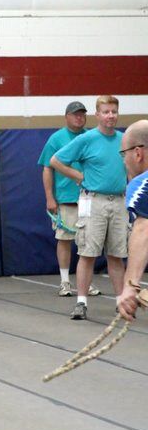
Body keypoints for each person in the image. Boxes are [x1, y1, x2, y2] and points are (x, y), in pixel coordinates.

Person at [50, 95, 127, 320]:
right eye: (106, 112)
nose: (110, 116)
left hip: (119, 201)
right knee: (88, 253)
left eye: (114, 111)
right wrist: (78, 176)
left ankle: (121, 301)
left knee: (116, 254)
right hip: (94, 201)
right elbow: (56, 161)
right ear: (98, 115)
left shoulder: (124, 140)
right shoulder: (87, 139)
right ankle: (81, 302)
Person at [38, 101, 100, 297]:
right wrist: (50, 198)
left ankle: (84, 281)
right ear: (67, 116)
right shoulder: (56, 139)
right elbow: (47, 168)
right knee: (65, 239)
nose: (79, 118)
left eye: (82, 114)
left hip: (89, 197)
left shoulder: (92, 136)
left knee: (87, 241)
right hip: (66, 198)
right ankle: (65, 281)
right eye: (75, 114)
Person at [116, 120, 148, 321]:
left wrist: (130, 286)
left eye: (123, 154)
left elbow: (143, 229)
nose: (124, 160)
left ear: (138, 153)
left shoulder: (142, 185)